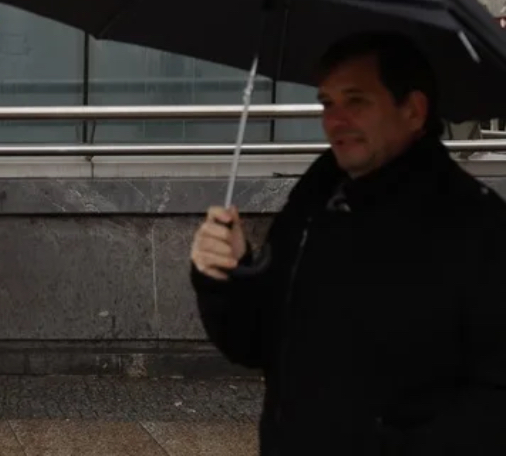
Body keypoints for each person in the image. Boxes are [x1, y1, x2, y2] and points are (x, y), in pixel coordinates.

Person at [190, 32, 506, 455]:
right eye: (327, 103)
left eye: (356, 101)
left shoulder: (477, 226)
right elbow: (259, 344)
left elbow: (494, 399)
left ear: (413, 110)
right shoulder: (316, 199)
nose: (334, 121)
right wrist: (226, 279)